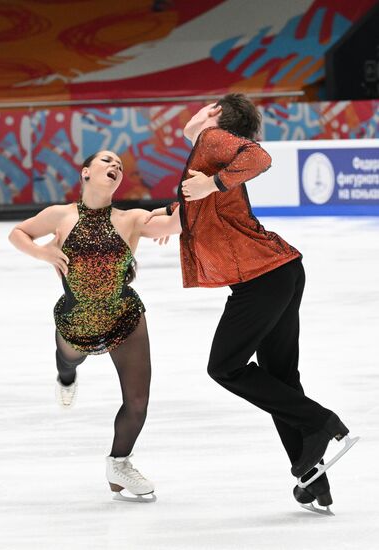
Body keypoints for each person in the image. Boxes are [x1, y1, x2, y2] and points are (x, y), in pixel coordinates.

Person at [146, 94, 358, 513]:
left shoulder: (211, 138)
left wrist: (213, 184)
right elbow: (201, 214)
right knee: (279, 378)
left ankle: (322, 422)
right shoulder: (204, 155)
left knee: (225, 367)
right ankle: (312, 478)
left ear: (215, 113)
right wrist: (175, 215)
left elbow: (258, 158)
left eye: (204, 107)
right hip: (280, 271)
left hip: (263, 278)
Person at [8, 150, 181, 499]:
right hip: (78, 321)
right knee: (69, 361)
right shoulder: (61, 215)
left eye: (119, 164)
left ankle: (119, 464)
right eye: (106, 161)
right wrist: (44, 253)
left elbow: (175, 224)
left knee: (138, 402)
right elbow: (18, 233)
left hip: (124, 317)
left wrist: (186, 205)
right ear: (85, 172)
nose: (115, 166)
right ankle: (66, 377)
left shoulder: (131, 218)